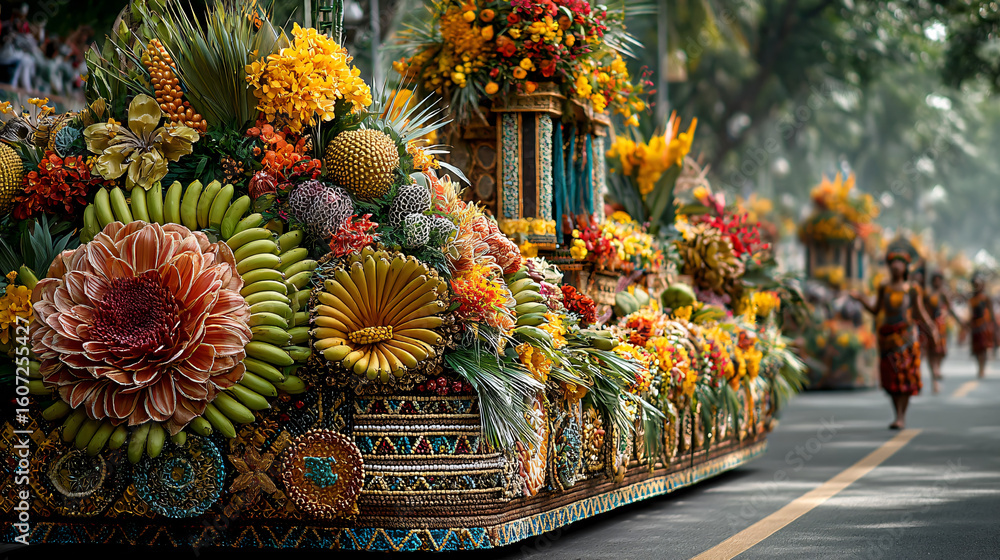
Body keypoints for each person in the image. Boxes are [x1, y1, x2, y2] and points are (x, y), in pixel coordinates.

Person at [852, 250, 938, 429]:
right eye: (892, 262)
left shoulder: (913, 289)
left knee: (905, 377)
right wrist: (861, 299)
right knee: (890, 377)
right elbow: (876, 310)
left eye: (899, 262)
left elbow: (920, 313)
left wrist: (932, 330)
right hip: (887, 338)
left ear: (905, 267)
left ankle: (901, 416)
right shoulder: (884, 287)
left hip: (906, 338)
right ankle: (896, 413)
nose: (895, 266)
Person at [921, 271, 960, 393]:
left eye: (939, 280)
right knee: (931, 352)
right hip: (929, 327)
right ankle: (934, 379)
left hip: (941, 327)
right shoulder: (926, 293)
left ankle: (937, 369)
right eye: (935, 280)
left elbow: (950, 309)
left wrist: (960, 322)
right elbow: (920, 309)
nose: (937, 282)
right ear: (932, 281)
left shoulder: (943, 294)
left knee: (941, 352)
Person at [967, 274, 995, 379]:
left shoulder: (985, 298)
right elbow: (969, 313)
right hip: (975, 326)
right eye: (975, 284)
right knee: (977, 349)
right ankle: (979, 367)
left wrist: (993, 326)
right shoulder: (972, 299)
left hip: (984, 326)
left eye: (978, 284)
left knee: (984, 348)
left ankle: (982, 368)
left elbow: (991, 312)